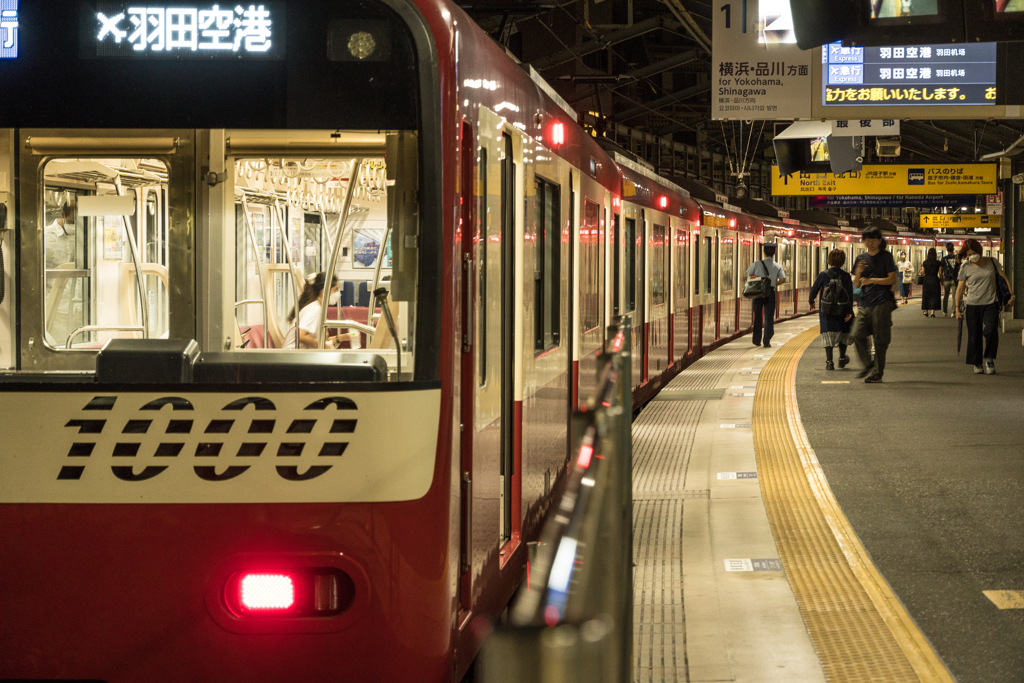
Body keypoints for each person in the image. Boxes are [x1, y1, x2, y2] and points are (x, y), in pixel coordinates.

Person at [955, 239, 1014, 375]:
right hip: (972, 304)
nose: (972, 257)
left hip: (991, 303)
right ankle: (977, 363)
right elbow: (959, 289)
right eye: (969, 255)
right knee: (974, 334)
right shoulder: (965, 267)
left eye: (974, 253)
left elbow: (1004, 278)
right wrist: (957, 309)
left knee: (991, 329)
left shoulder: (992, 262)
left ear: (980, 251)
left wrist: (1011, 295)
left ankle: (989, 358)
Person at [849, 227, 898, 383]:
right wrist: (858, 271)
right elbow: (857, 283)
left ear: (879, 241)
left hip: (882, 301)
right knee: (856, 334)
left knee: (879, 339)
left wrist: (872, 280)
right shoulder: (861, 258)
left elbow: (892, 279)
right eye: (867, 239)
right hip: (864, 302)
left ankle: (877, 373)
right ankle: (868, 363)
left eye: (873, 239)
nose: (870, 242)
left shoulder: (886, 257)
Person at [809, 249, 855, 370]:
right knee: (843, 334)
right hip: (842, 310)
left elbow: (813, 290)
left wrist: (811, 301)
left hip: (827, 311)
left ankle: (829, 362)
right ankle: (841, 358)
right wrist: (849, 311)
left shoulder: (823, 275)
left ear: (829, 260)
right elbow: (850, 294)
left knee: (828, 335)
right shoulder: (846, 276)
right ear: (842, 261)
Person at [282, 272, 342, 349]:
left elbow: (318, 340)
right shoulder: (315, 309)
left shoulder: (316, 307)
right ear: (324, 291)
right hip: (292, 357)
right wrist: (323, 345)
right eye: (336, 289)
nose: (338, 293)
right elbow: (300, 335)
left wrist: (343, 337)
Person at [746, 242, 786, 348]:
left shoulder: (757, 263)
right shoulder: (777, 266)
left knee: (758, 316)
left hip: (758, 292)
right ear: (774, 252)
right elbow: (783, 279)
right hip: (770, 292)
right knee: (768, 317)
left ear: (764, 252)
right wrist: (774, 284)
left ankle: (756, 340)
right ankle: (767, 340)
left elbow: (749, 274)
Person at [918, 247, 942, 317]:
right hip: (935, 279)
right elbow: (940, 273)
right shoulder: (938, 263)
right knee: (934, 295)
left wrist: (921, 267)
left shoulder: (925, 262)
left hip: (927, 280)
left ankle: (926, 311)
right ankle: (932, 312)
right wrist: (941, 280)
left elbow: (922, 272)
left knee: (926, 295)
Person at [940, 242, 960, 317]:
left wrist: (941, 278)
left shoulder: (943, 259)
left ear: (946, 249)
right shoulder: (956, 258)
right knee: (955, 296)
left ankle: (945, 311)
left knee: (946, 295)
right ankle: (953, 312)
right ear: (953, 249)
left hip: (947, 279)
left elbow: (941, 270)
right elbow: (959, 268)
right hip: (955, 279)